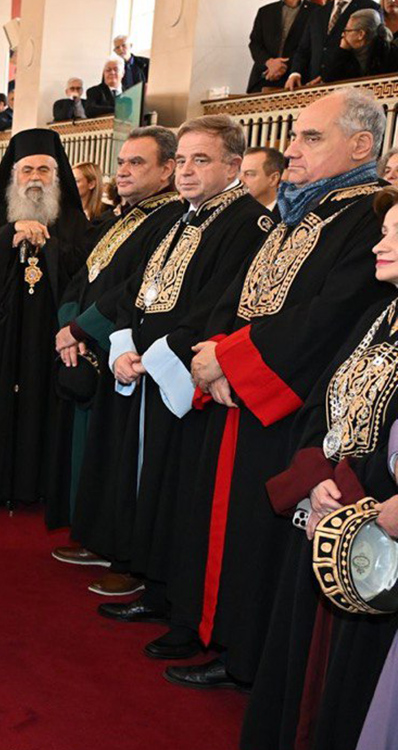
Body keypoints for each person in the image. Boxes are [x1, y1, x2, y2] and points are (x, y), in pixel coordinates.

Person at [161, 88, 389, 693]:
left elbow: (329, 316)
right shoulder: (299, 210)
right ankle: (209, 629)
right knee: (220, 522)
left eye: (311, 137)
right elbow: (235, 295)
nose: (292, 149)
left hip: (287, 406)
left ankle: (244, 654)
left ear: (361, 146)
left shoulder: (367, 216)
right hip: (240, 392)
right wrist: (212, 352)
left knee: (257, 538)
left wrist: (232, 362)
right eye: (294, 136)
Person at [82, 116, 271, 661]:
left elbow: (220, 306)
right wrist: (121, 343)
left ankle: (179, 606)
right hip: (149, 369)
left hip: (187, 378)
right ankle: (156, 588)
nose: (186, 171)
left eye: (200, 160)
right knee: (154, 486)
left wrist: (158, 355)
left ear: (233, 166)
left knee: (182, 495)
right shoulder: (180, 218)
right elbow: (142, 290)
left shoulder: (247, 223)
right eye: (182, 160)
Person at [243, 186, 398, 750]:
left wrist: (362, 492)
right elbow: (325, 399)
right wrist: (314, 477)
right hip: (334, 498)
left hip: (380, 519)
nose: (380, 243)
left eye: (394, 233)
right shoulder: (380, 313)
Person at [46, 127, 180, 558]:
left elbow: (133, 287)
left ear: (167, 170)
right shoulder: (124, 217)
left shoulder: (170, 219)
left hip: (119, 350)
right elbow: (83, 277)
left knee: (112, 453)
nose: (122, 171)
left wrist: (81, 329)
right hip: (87, 346)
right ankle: (88, 533)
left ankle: (107, 544)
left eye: (137, 163)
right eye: (121, 162)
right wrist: (68, 326)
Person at [0, 130, 91, 509]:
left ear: (56, 175)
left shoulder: (73, 219)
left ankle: (41, 483)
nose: (35, 177)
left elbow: (84, 271)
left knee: (45, 404)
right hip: (1, 334)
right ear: (13, 175)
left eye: (43, 170)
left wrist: (48, 244)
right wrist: (9, 234)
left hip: (51, 333)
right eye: (27, 170)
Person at [287, 0, 383, 88]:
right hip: (315, 87)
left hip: (349, 85)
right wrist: (295, 73)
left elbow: (372, 50)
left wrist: (328, 76)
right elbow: (303, 49)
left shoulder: (370, 7)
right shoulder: (318, 12)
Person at [251, 0, 316, 93]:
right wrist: (269, 62)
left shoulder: (316, 11)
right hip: (264, 78)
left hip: (297, 81)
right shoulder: (265, 11)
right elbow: (255, 43)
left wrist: (282, 66)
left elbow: (312, 47)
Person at [332, 8, 398, 79]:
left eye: (347, 30)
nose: (343, 34)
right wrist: (343, 52)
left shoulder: (389, 55)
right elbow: (331, 80)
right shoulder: (348, 53)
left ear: (361, 34)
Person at [241, 146, 286, 210]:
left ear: (273, 179)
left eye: (249, 174)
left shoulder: (291, 213)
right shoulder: (232, 210)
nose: (240, 180)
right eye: (239, 173)